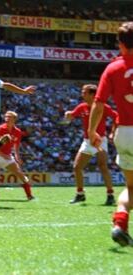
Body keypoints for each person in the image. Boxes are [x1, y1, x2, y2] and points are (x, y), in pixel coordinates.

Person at [88, 22, 133, 246]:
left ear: (120, 43)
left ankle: (120, 223)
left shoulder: (112, 68)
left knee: (131, 187)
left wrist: (92, 131)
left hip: (124, 133)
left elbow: (98, 103)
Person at [64, 84, 118, 205]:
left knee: (103, 166)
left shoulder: (103, 107)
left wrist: (113, 132)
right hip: (87, 141)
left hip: (100, 140)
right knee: (77, 167)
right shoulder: (82, 107)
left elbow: (116, 117)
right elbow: (71, 115)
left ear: (92, 94)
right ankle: (80, 194)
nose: (82, 94)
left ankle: (110, 195)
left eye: (84, 92)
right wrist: (68, 115)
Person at [0, 111, 34, 201]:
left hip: (8, 157)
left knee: (21, 175)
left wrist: (18, 158)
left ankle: (29, 196)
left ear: (14, 119)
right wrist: (3, 155)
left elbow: (16, 148)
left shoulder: (17, 132)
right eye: (6, 116)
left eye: (9, 117)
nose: (7, 118)